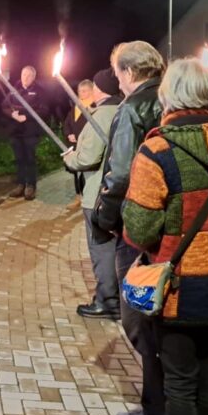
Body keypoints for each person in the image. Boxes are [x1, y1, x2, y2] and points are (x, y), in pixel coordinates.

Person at [122, 58, 208, 415]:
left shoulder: (158, 151)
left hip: (178, 290)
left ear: (170, 97)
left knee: (179, 385)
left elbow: (140, 231)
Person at [90, 40, 166, 415]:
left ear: (130, 72)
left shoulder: (133, 108)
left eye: (118, 72)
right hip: (169, 223)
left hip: (135, 225)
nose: (117, 80)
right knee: (160, 315)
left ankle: (158, 409)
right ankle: (170, 401)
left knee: (138, 317)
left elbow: (119, 173)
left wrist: (103, 216)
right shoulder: (170, 100)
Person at [62, 68, 122, 319]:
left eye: (95, 86)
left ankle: (108, 301)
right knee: (117, 247)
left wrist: (71, 158)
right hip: (118, 188)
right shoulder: (123, 109)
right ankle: (119, 298)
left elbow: (88, 157)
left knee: (101, 248)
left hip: (98, 192)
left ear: (100, 89)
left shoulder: (101, 114)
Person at [1, 65, 48, 200]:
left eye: (29, 75)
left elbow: (44, 110)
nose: (25, 78)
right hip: (16, 131)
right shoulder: (14, 89)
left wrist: (26, 117)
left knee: (30, 159)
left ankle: (31, 186)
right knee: (19, 159)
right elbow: (4, 106)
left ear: (33, 77)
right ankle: (20, 184)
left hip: (30, 131)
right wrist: (12, 114)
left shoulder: (39, 91)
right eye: (23, 75)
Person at [62, 79, 95, 209]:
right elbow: (67, 123)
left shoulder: (94, 106)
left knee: (88, 172)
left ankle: (90, 198)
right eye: (79, 91)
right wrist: (68, 133)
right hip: (74, 145)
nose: (81, 93)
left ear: (91, 91)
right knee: (76, 171)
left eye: (84, 91)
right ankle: (78, 197)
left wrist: (82, 137)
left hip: (87, 145)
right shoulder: (76, 106)